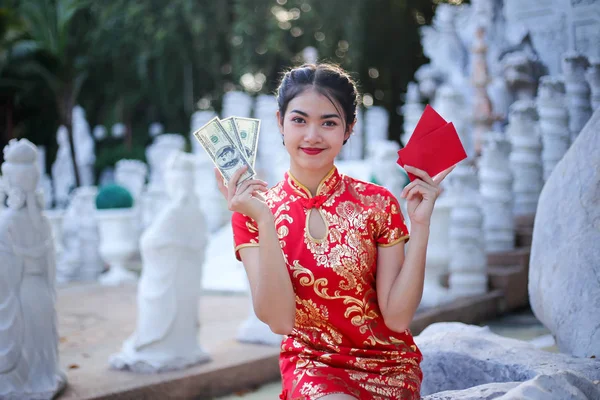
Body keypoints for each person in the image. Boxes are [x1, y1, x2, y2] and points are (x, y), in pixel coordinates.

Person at [215, 63, 453, 400]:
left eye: (329, 122)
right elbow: (280, 322)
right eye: (299, 120)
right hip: (312, 365)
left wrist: (421, 224)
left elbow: (398, 318)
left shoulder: (378, 203)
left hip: (387, 364)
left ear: (349, 129)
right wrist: (266, 222)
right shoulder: (252, 212)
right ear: (279, 122)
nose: (312, 135)